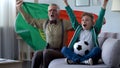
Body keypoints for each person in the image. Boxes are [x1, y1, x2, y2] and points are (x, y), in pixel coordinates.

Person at [16, 0, 73, 68]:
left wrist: (67, 5)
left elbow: (75, 24)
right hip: (48, 49)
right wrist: (20, 9)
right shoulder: (44, 23)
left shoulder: (64, 23)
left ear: (58, 12)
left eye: (54, 10)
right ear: (48, 13)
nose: (52, 12)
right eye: (50, 10)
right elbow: (30, 20)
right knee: (37, 53)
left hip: (61, 51)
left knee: (46, 52)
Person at [61, 0, 108, 65]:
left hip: (89, 54)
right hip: (76, 53)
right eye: (82, 20)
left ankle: (75, 60)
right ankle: (83, 61)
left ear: (92, 23)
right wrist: (66, 3)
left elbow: (100, 18)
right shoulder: (78, 29)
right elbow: (72, 17)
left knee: (97, 50)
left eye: (87, 20)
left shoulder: (95, 30)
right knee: (64, 49)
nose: (84, 22)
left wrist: (104, 4)